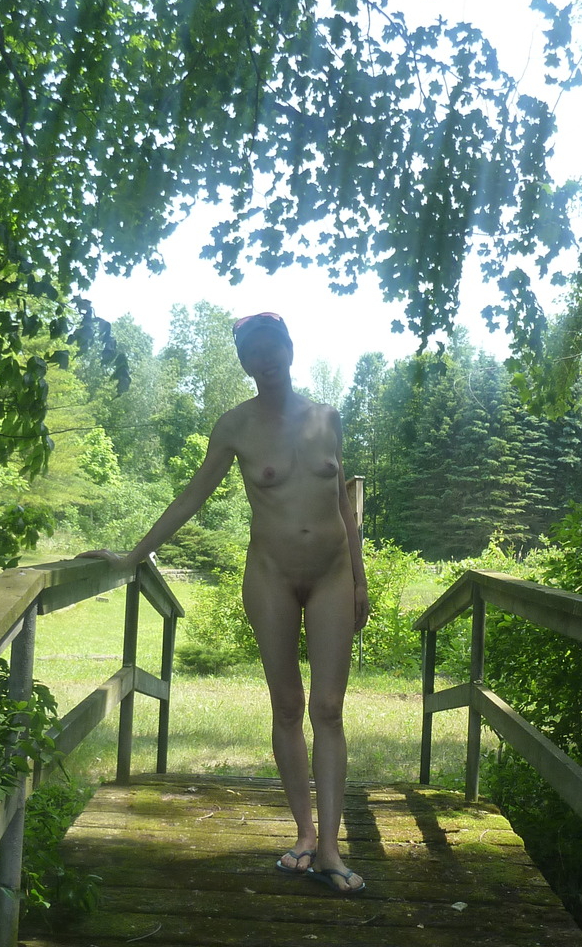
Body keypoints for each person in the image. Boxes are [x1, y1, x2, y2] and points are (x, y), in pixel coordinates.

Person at [79, 311, 371, 894]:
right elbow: (191, 496)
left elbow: (344, 504)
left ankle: (334, 849)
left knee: (329, 709)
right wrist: (132, 556)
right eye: (251, 351)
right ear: (243, 361)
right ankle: (306, 835)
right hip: (270, 577)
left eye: (272, 346)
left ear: (291, 348)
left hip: (334, 575)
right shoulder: (234, 426)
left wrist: (360, 580)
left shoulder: (327, 418)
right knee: (287, 705)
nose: (264, 359)